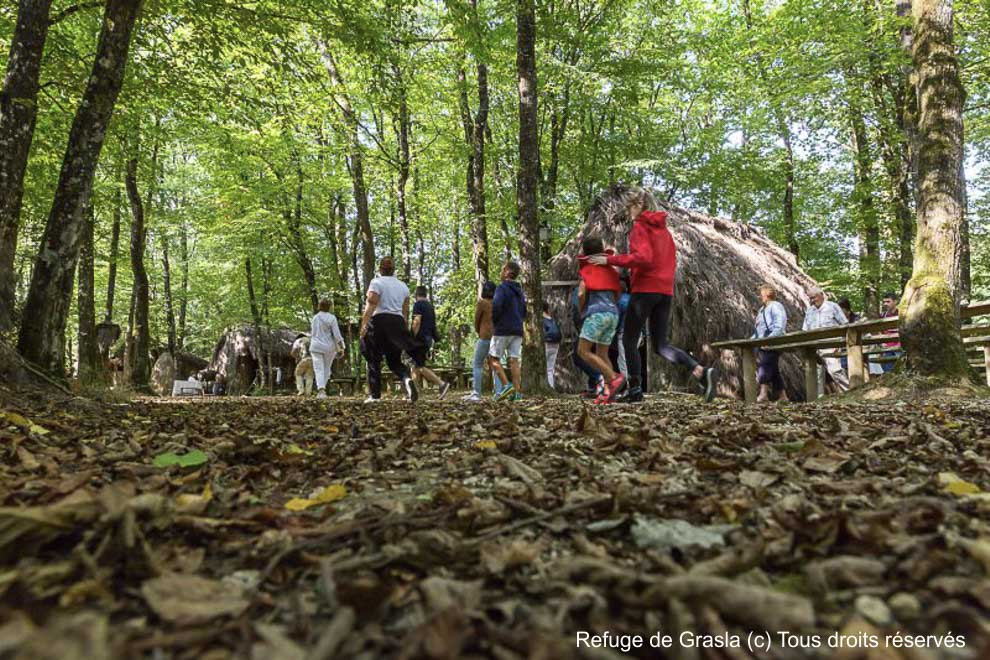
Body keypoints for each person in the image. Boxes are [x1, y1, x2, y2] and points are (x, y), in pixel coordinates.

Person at [588, 188, 718, 403]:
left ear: (639, 205)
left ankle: (635, 390)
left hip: (645, 290)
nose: (628, 211)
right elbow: (669, 261)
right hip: (664, 291)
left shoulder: (640, 226)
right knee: (661, 345)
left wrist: (609, 260)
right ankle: (700, 371)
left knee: (629, 341)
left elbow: (643, 258)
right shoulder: (665, 232)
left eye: (630, 206)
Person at [360, 257, 434, 402]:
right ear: (394, 270)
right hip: (397, 322)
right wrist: (403, 328)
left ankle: (375, 396)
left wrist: (364, 324)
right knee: (394, 361)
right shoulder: (403, 286)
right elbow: (405, 310)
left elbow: (372, 303)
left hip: (379, 322)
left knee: (373, 357)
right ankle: (407, 379)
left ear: (380, 268)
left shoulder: (376, 282)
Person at [576, 236, 625, 403]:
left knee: (583, 351)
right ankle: (608, 393)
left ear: (585, 251)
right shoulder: (610, 268)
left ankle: (613, 377)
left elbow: (581, 293)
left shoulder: (587, 269)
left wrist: (582, 309)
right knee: (602, 354)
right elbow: (617, 293)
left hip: (596, 313)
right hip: (613, 314)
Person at [489, 261, 527, 401]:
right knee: (514, 360)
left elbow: (497, 306)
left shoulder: (501, 288)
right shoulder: (519, 291)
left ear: (506, 271)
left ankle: (506, 385)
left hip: (503, 328)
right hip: (517, 329)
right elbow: (524, 310)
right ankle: (517, 393)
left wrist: (495, 321)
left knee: (493, 358)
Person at [802, 287, 849, 396]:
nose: (812, 300)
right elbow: (805, 329)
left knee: (835, 371)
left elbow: (845, 325)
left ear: (821, 295)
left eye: (814, 297)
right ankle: (818, 399)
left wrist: (840, 343)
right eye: (810, 298)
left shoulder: (833, 307)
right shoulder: (809, 311)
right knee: (817, 374)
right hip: (815, 346)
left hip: (831, 345)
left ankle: (849, 392)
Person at [464, 281, 505, 401]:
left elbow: (476, 320)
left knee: (477, 364)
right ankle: (498, 393)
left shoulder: (482, 303)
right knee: (496, 364)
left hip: (484, 337)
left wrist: (478, 331)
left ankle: (477, 393)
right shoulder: (498, 303)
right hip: (496, 337)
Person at [411, 286, 451, 398]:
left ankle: (441, 384)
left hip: (420, 339)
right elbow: (433, 325)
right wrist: (435, 338)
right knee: (415, 365)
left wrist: (411, 337)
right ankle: (413, 393)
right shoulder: (430, 306)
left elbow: (416, 321)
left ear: (416, 295)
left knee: (419, 366)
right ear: (426, 294)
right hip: (428, 339)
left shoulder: (418, 304)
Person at [753, 284, 788, 402]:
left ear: (767, 294)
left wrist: (770, 339)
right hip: (763, 342)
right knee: (774, 369)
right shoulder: (761, 310)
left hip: (774, 342)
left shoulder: (776, 306)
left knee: (765, 364)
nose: (759, 296)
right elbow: (759, 329)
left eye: (761, 293)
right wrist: (751, 340)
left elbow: (779, 325)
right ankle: (783, 396)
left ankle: (763, 394)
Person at [571, 284, 603, 398]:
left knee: (578, 355)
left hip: (588, 323)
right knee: (593, 354)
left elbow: (578, 302)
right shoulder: (599, 288)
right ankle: (594, 386)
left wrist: (581, 318)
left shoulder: (582, 287)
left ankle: (599, 377)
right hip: (601, 321)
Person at [310, 299, 346, 399]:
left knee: (318, 368)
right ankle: (322, 390)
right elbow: (337, 334)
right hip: (328, 347)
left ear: (319, 306)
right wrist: (342, 347)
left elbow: (313, 333)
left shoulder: (315, 318)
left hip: (316, 346)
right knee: (326, 369)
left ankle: (321, 390)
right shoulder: (331, 318)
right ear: (329, 307)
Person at [879, 291, 901, 373]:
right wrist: (882, 343)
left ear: (895, 302)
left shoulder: (901, 313)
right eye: (884, 302)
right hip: (886, 347)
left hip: (900, 346)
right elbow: (879, 331)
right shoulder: (882, 316)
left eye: (888, 301)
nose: (885, 304)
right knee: (888, 372)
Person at [542, 302, 562, 389]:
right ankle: (551, 387)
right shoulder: (551, 319)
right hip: (555, 344)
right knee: (550, 369)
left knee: (543, 368)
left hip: (546, 343)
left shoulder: (540, 319)